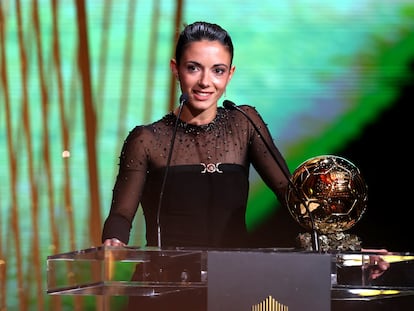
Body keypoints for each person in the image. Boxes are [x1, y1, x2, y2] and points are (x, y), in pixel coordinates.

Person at [101, 21, 389, 311]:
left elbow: (294, 199)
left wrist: (351, 253)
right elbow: (122, 214)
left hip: (235, 288)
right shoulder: (147, 139)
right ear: (176, 69)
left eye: (218, 70)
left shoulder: (244, 123)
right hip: (165, 289)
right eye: (193, 68)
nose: (205, 82)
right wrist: (114, 241)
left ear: (230, 74)